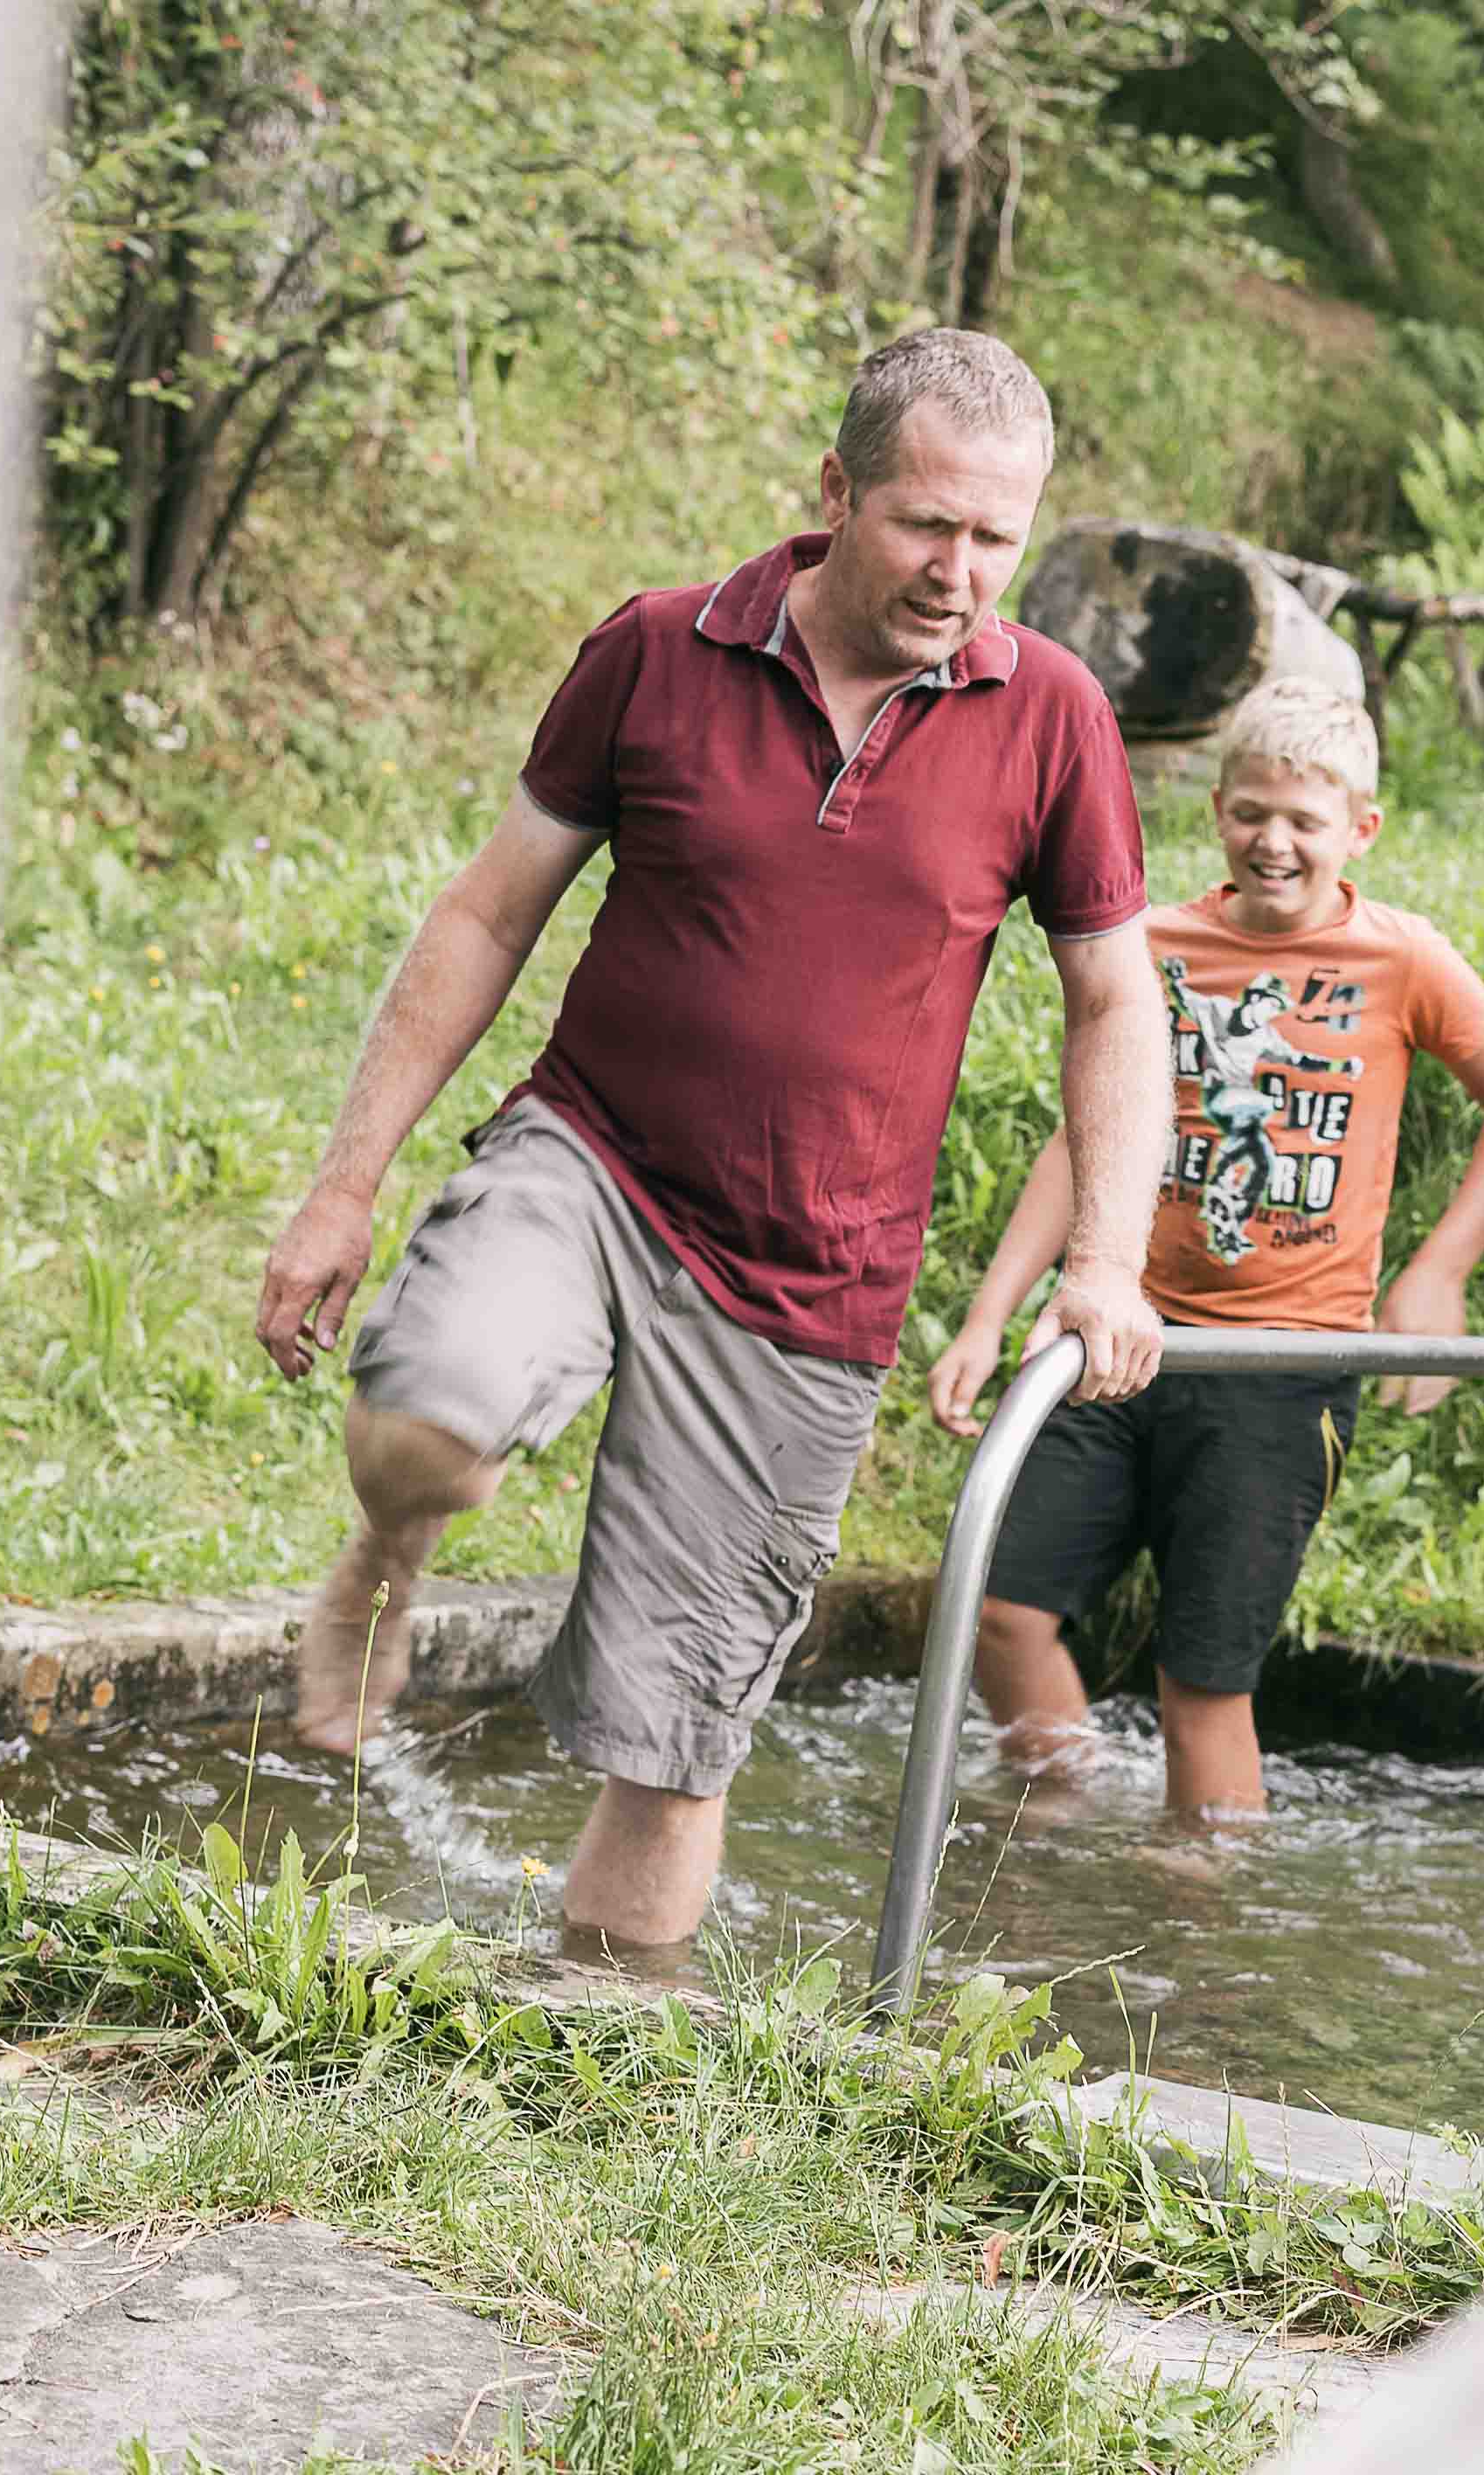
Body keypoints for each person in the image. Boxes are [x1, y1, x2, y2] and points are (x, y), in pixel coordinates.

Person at [248, 328, 1168, 1955]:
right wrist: (345, 1185)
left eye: (996, 538)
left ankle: (589, 2073)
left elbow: (1113, 1001)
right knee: (430, 1416)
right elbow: (486, 914)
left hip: (813, 1279)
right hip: (594, 1164)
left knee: (675, 1752)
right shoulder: (660, 651)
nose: (962, 573)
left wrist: (1103, 1260)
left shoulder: (1052, 719)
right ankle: (384, 1556)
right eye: (926, 525)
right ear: (834, 493)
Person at [926, 680, 1484, 1818]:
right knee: (1000, 1611)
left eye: (1305, 821)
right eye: (1252, 812)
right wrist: (989, 1315)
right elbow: (1082, 1139)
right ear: (1215, 809)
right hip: (1125, 1342)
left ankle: (1202, 1925)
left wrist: (1440, 1268)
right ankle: (1067, 1828)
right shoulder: (1153, 943)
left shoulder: (1402, 959)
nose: (1275, 841)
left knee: (1202, 1681)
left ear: (1360, 829)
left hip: (1281, 1367)